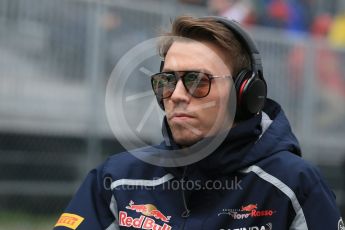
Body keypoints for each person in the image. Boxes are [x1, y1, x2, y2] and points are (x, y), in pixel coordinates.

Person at [54, 16, 343, 230]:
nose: (177, 95)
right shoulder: (115, 179)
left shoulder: (295, 185)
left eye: (197, 81)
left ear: (246, 94)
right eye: (167, 81)